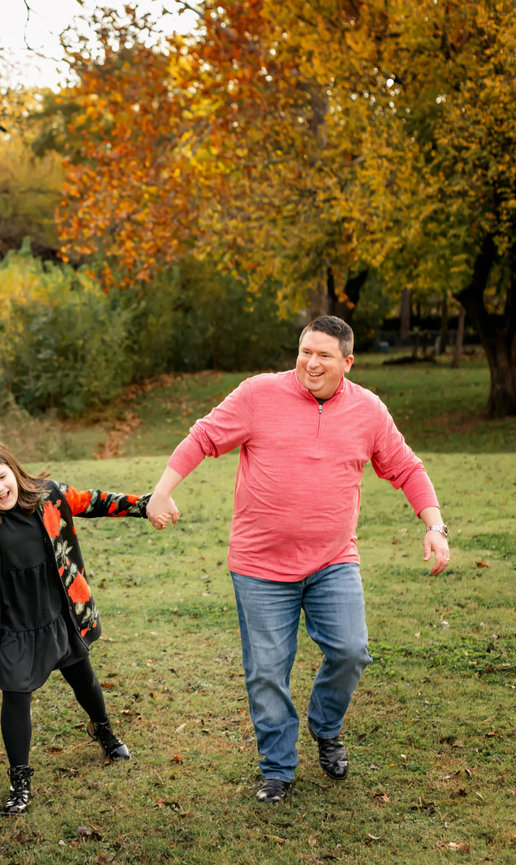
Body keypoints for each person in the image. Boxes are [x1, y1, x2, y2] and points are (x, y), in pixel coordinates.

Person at [145, 315, 451, 803]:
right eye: (305, 351)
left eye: (324, 355)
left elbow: (405, 467)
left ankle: (325, 727)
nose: (311, 362)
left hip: (333, 561)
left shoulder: (368, 411)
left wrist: (434, 526)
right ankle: (278, 768)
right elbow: (203, 438)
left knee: (352, 652)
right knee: (267, 671)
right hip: (260, 567)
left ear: (347, 363)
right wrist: (160, 493)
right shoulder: (258, 394)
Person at [0, 439, 164, 815]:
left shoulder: (48, 497)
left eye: (3, 477)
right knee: (15, 696)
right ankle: (20, 780)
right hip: (14, 627)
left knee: (84, 679)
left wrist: (145, 505)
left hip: (58, 613)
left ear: (14, 470)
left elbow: (94, 500)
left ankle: (103, 729)